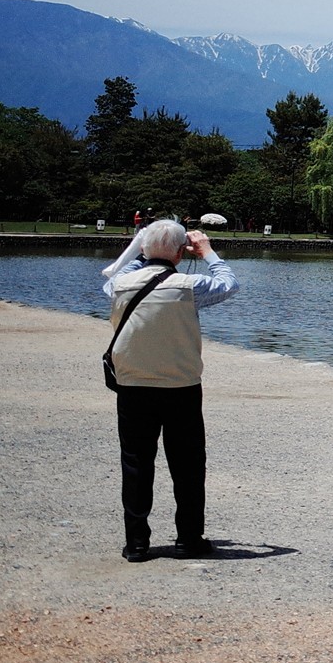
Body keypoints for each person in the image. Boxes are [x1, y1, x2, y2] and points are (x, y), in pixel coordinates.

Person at [102, 219, 239, 562]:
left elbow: (124, 268)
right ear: (181, 254)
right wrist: (207, 252)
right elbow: (229, 284)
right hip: (181, 387)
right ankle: (188, 539)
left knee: (135, 464)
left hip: (133, 385)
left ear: (145, 251)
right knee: (188, 465)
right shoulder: (188, 285)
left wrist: (142, 244)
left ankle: (136, 543)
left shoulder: (119, 285)